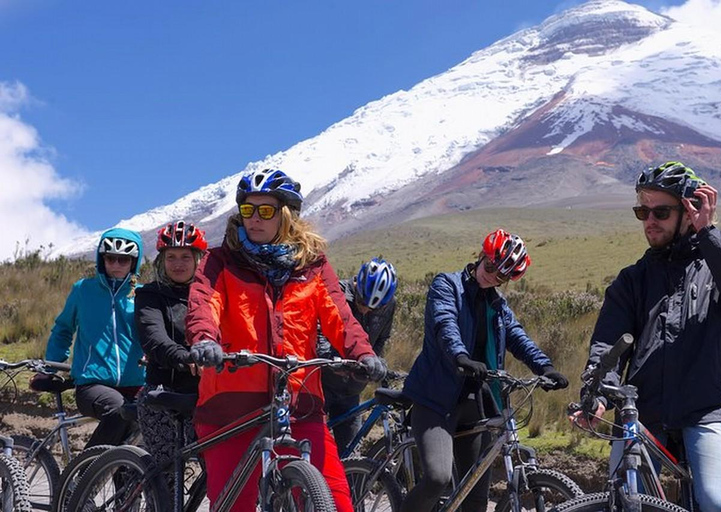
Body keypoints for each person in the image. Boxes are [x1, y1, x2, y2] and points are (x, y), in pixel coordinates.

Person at [185, 168, 386, 512]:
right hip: (231, 407)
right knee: (237, 505)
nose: (255, 219)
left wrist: (363, 353)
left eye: (266, 211)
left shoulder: (313, 266)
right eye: (248, 210)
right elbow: (206, 303)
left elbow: (340, 315)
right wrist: (205, 339)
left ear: (286, 216)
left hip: (299, 401)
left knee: (336, 503)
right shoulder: (221, 261)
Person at [572, 161, 721, 512]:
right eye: (642, 211)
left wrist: (709, 235)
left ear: (690, 213)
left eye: (660, 211)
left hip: (709, 408)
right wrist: (597, 393)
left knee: (718, 503)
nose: (649, 221)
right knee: (624, 501)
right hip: (644, 411)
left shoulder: (718, 266)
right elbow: (607, 346)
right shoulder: (632, 280)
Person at [400, 229, 569, 512]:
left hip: (477, 404)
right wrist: (461, 357)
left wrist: (546, 367)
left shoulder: (498, 306)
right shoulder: (447, 285)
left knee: (476, 498)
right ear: (482, 255)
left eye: (501, 276)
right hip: (436, 401)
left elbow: (518, 338)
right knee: (437, 478)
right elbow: (445, 325)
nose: (492, 276)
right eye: (491, 266)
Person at [43, 228, 146, 448]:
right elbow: (63, 329)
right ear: (102, 259)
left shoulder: (143, 295)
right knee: (119, 410)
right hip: (93, 383)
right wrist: (50, 367)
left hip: (137, 383)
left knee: (149, 424)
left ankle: (127, 480)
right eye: (111, 258)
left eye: (123, 260)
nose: (116, 265)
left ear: (134, 262)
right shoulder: (83, 290)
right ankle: (84, 477)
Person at [135, 220, 208, 471]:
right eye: (171, 257)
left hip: (207, 393)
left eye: (186, 257)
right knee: (164, 477)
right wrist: (186, 357)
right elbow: (153, 337)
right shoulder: (149, 295)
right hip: (164, 392)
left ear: (198, 259)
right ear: (161, 261)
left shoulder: (214, 295)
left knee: (221, 471)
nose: (178, 264)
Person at [317, 257, 398, 456]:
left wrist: (374, 364)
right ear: (357, 284)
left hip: (352, 391)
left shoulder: (388, 305)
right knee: (315, 449)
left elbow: (381, 339)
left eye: (374, 308)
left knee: (350, 454)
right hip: (322, 385)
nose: (366, 309)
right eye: (362, 302)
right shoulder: (338, 293)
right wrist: (338, 363)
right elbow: (321, 336)